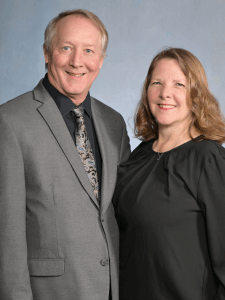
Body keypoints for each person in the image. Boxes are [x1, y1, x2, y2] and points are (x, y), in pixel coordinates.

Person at [0, 9, 130, 300]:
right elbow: (6, 235)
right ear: (47, 53)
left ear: (101, 60)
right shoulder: (9, 122)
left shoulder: (114, 123)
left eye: (88, 50)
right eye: (66, 48)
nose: (77, 61)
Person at [113, 47, 225, 299]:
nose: (165, 93)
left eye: (179, 85)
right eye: (157, 83)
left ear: (196, 94)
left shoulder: (208, 158)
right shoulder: (138, 155)